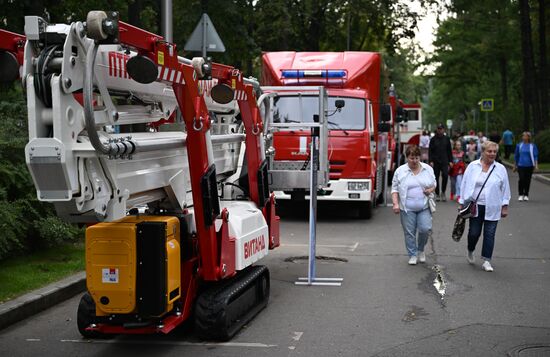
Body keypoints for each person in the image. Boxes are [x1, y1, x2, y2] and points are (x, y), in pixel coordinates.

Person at [459, 141, 511, 272]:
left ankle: (487, 260)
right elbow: (464, 183)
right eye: (489, 151)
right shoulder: (472, 166)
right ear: (482, 152)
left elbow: (505, 188)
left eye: (494, 151)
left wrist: (505, 205)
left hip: (493, 206)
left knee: (490, 233)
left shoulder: (500, 169)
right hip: (475, 207)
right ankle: (470, 249)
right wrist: (462, 202)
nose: (492, 154)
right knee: (474, 233)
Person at [392, 146, 437, 265]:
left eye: (417, 158)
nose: (415, 161)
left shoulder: (427, 169)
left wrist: (430, 190)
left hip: (424, 206)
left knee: (425, 229)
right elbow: (395, 189)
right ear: (407, 158)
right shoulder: (400, 171)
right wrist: (396, 204)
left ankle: (421, 249)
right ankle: (412, 254)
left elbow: (434, 184)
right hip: (407, 208)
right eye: (412, 158)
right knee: (409, 232)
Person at [429, 124, 452, 201]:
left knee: (445, 176)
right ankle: (437, 193)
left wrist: (450, 161)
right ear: (437, 129)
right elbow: (430, 151)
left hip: (445, 161)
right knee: (436, 177)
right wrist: (431, 161)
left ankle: (443, 192)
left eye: (441, 129)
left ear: (444, 130)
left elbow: (449, 151)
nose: (440, 130)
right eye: (439, 129)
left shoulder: (447, 139)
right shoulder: (433, 139)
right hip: (435, 161)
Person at [514, 131, 539, 201]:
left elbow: (535, 156)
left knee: (527, 180)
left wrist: (536, 165)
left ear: (528, 137)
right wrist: (514, 166)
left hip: (529, 165)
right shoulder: (519, 145)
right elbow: (516, 156)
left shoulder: (532, 146)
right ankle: (520, 194)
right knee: (521, 179)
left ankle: (526, 194)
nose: (523, 137)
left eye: (525, 136)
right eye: (523, 136)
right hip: (521, 165)